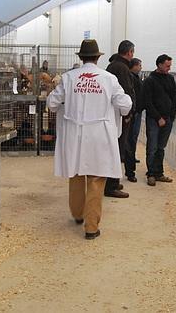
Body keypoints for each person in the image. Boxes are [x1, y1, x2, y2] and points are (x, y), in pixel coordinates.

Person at [46, 39, 132, 239]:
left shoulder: (68, 78)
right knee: (96, 177)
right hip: (99, 134)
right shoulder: (108, 78)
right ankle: (91, 227)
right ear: (97, 57)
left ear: (80, 57)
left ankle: (77, 214)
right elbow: (125, 103)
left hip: (74, 133)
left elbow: (51, 103)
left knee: (76, 173)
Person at [104, 40, 136, 198]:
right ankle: (111, 185)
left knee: (115, 148)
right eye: (132, 52)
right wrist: (128, 113)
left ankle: (112, 181)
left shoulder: (114, 65)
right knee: (116, 149)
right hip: (120, 114)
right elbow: (125, 93)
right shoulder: (121, 68)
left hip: (115, 113)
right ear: (129, 52)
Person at [142, 54, 176, 186]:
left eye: (170, 65)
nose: (169, 68)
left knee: (161, 147)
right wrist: (158, 117)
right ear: (160, 65)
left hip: (167, 119)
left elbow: (174, 98)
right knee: (152, 147)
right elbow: (147, 102)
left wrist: (171, 117)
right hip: (154, 119)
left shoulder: (170, 79)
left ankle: (159, 173)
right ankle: (151, 173)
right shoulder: (150, 81)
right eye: (167, 65)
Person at [124, 58, 143, 182]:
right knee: (131, 139)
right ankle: (130, 169)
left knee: (132, 138)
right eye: (139, 65)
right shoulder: (131, 78)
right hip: (133, 113)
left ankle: (131, 160)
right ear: (134, 66)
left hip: (136, 112)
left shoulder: (135, 78)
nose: (141, 67)